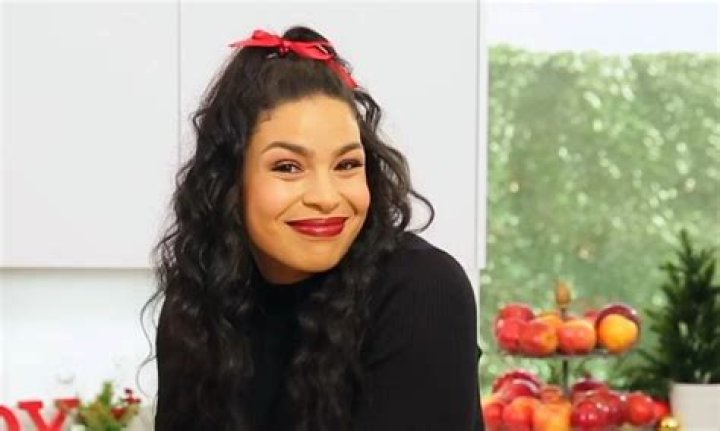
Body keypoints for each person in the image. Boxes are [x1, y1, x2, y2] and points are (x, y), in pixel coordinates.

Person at [148, 25, 484, 431]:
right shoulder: (197, 308)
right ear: (229, 182)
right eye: (288, 167)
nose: (326, 197)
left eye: (347, 165)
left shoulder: (422, 291)